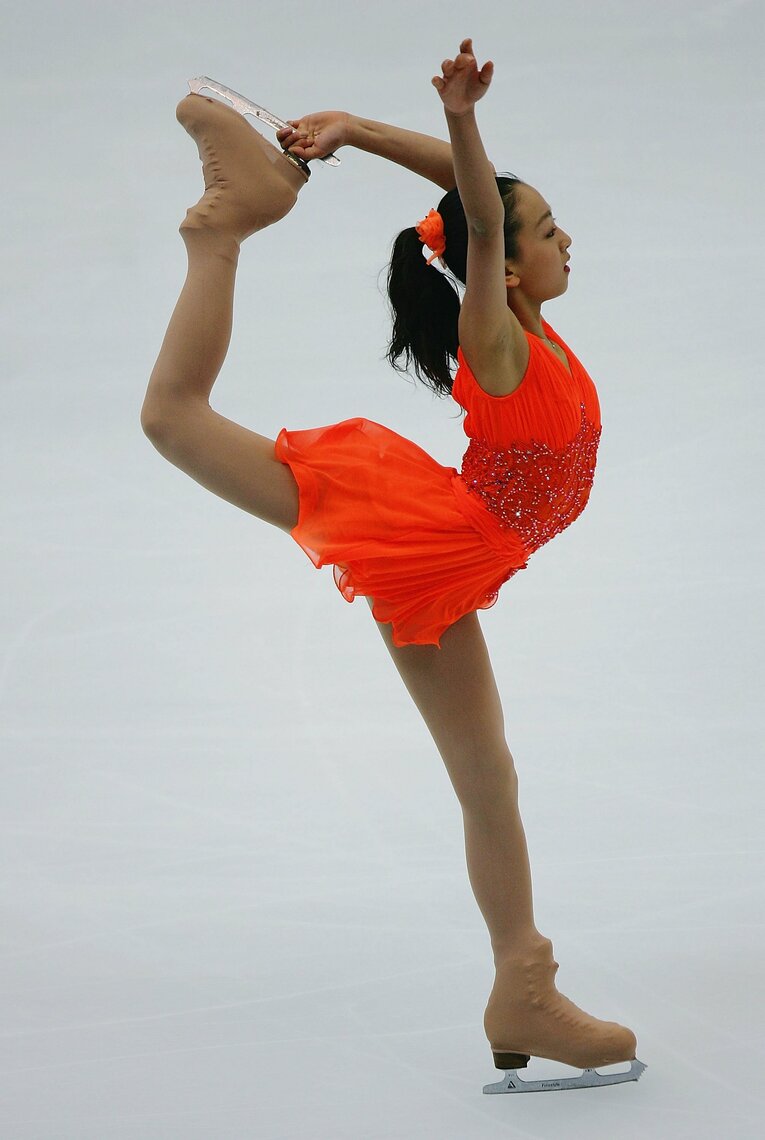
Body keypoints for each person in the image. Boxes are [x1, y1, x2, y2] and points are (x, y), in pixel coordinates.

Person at [142, 39, 643, 1092]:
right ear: (505, 265)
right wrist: (459, 124)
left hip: (455, 556)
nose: (567, 239)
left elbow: (477, 213)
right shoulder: (500, 341)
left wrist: (362, 132)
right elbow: (483, 209)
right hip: (419, 537)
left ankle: (523, 984)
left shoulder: (534, 324)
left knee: (489, 776)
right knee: (174, 420)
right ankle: (220, 232)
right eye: (546, 230)